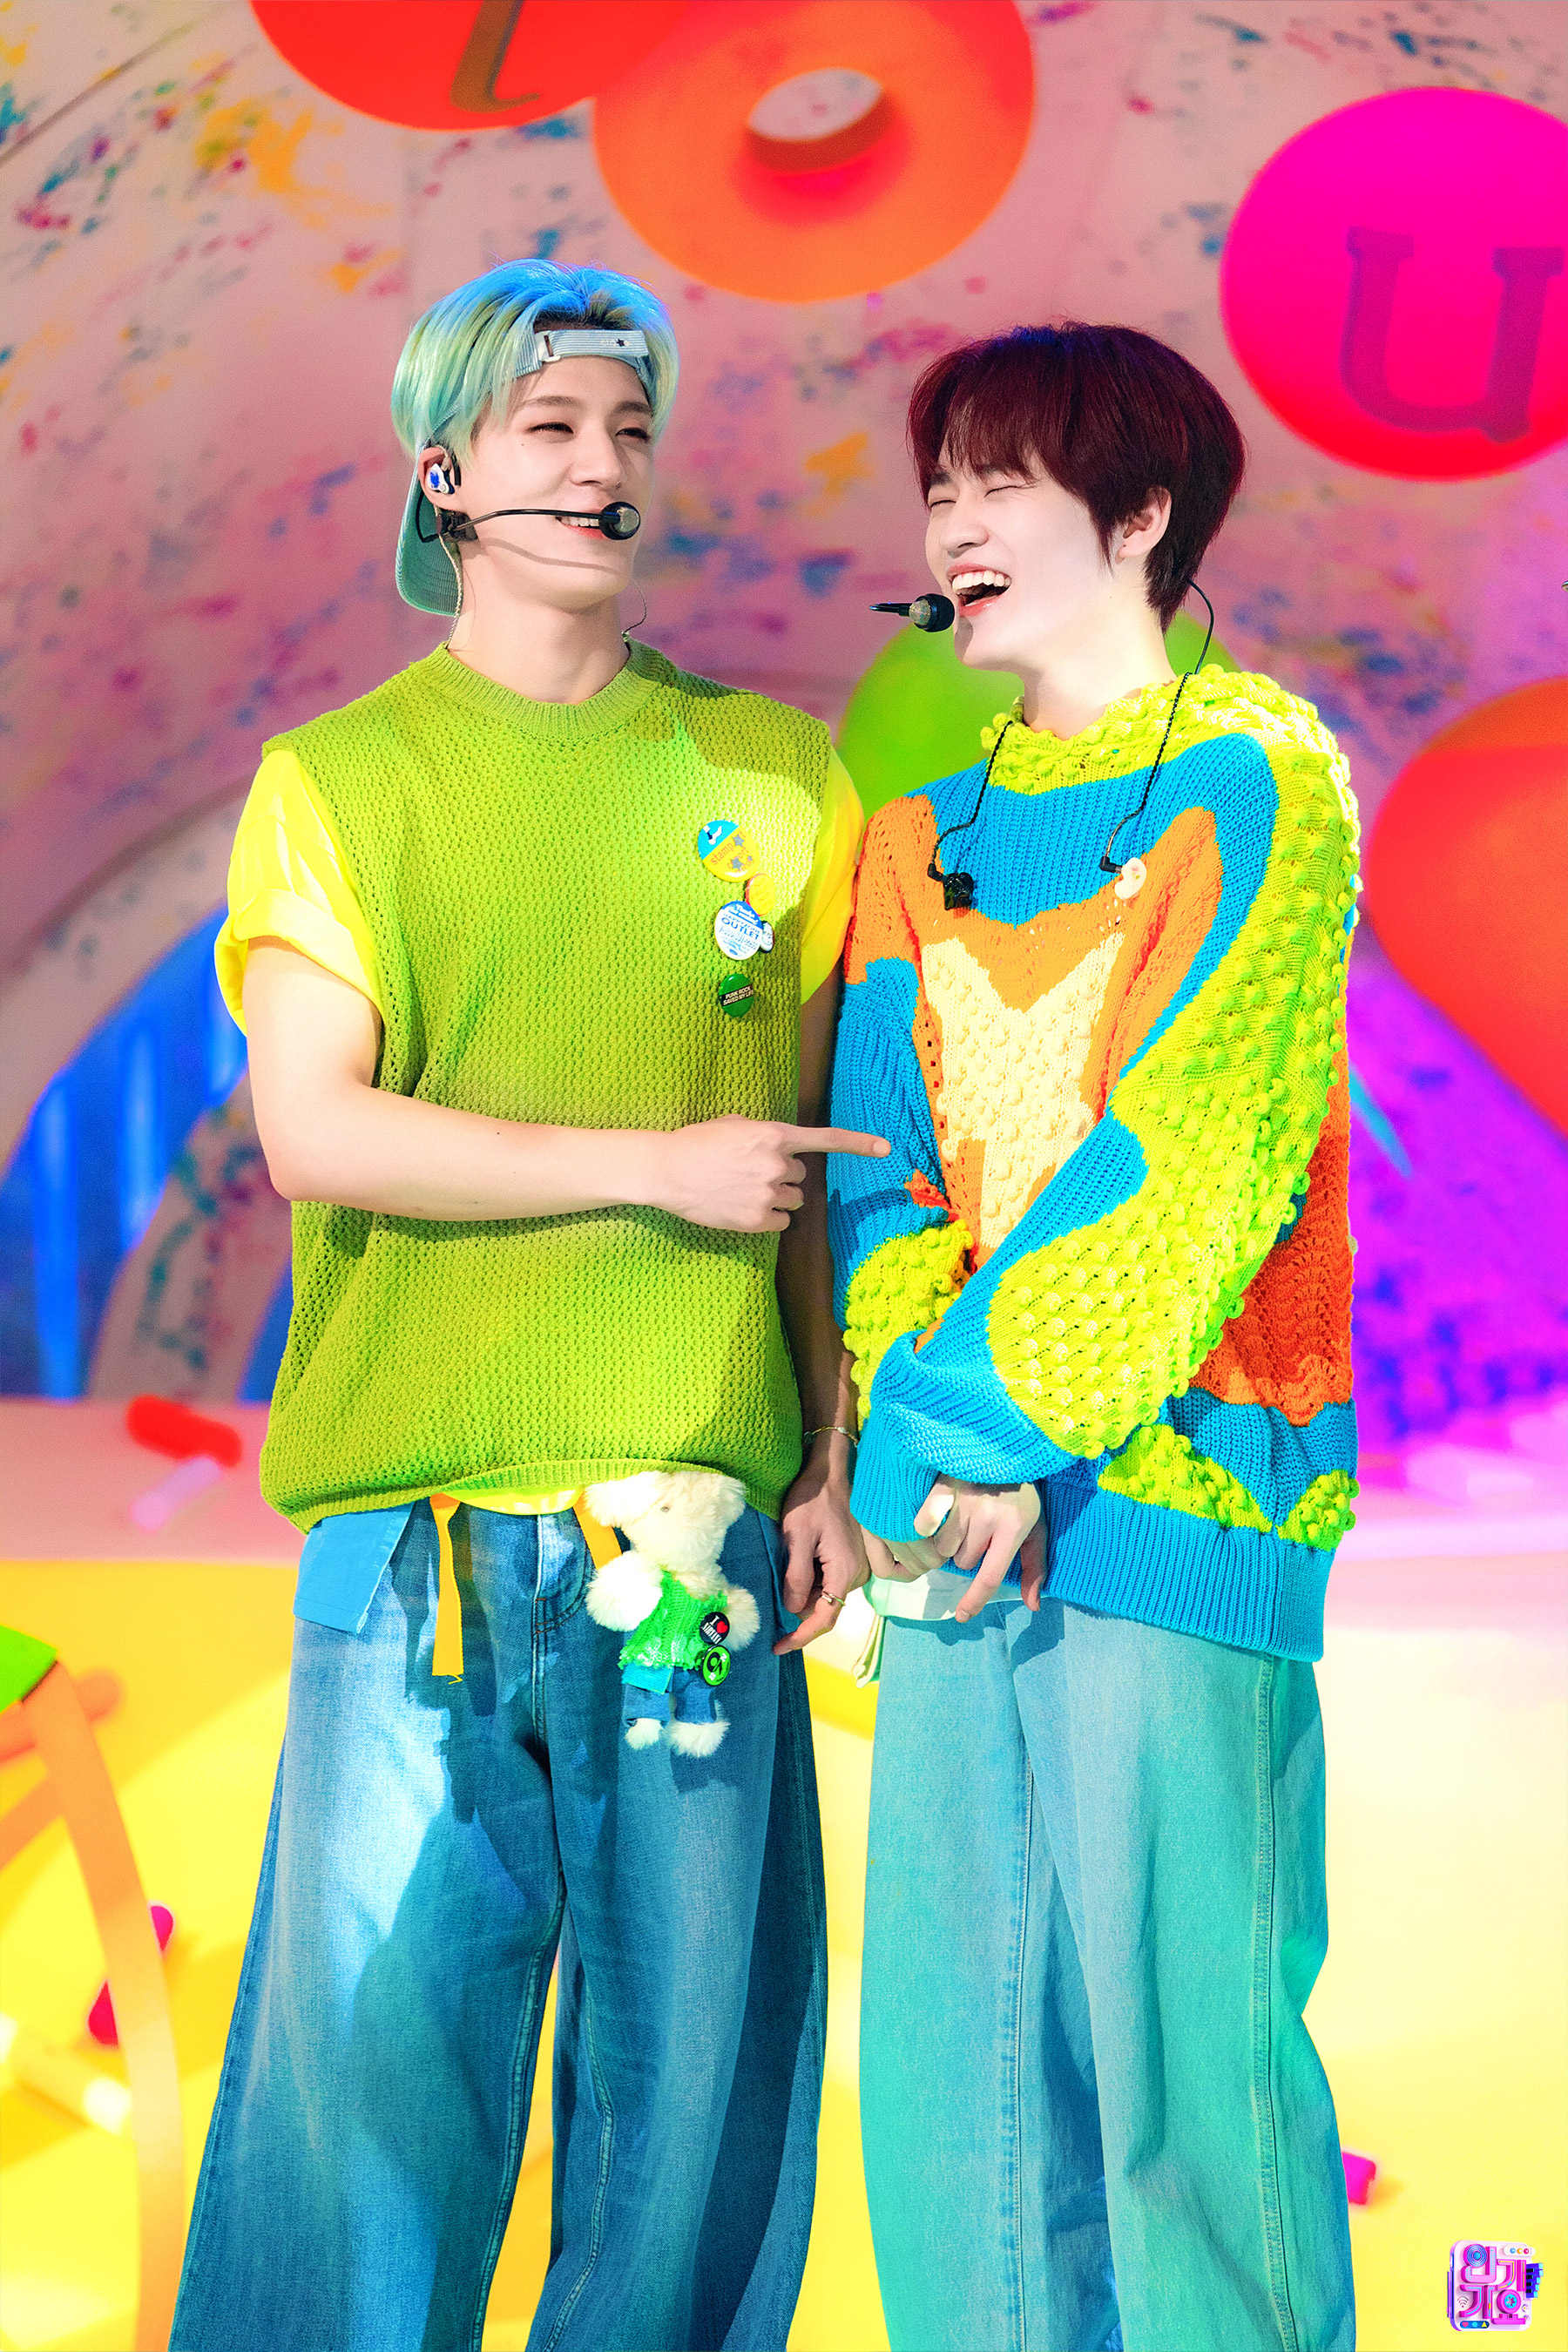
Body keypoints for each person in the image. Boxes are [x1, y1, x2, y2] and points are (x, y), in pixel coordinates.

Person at [172, 259, 883, 2352]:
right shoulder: (339, 781)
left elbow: (811, 1181)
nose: (602, 465)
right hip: (420, 1555)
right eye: (554, 427)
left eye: (631, 430)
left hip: (700, 1543)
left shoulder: (781, 776)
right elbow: (317, 1130)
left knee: (686, 2115)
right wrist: (651, 1166)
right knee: (365, 2101)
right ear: (447, 476)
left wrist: (828, 1454)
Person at [827, 324, 1360, 2352]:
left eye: (1001, 483)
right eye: (938, 488)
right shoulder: (909, 841)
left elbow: (1194, 1150)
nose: (952, 524)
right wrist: (929, 1465)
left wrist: (979, 1431)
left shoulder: (1262, 775)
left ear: (1139, 518)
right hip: (956, 1533)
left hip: (1173, 1504)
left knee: (1183, 2110)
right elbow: (880, 1175)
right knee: (962, 2107)